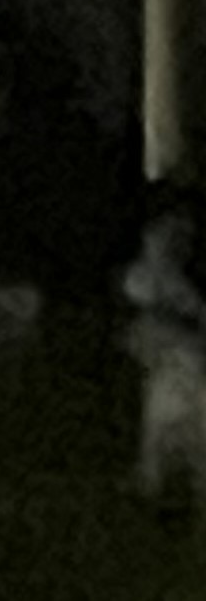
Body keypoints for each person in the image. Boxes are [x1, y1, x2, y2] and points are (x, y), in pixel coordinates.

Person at [122, 192, 206, 510]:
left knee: (189, 438)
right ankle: (155, 485)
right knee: (161, 433)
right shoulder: (149, 278)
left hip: (188, 368)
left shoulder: (182, 288)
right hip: (172, 367)